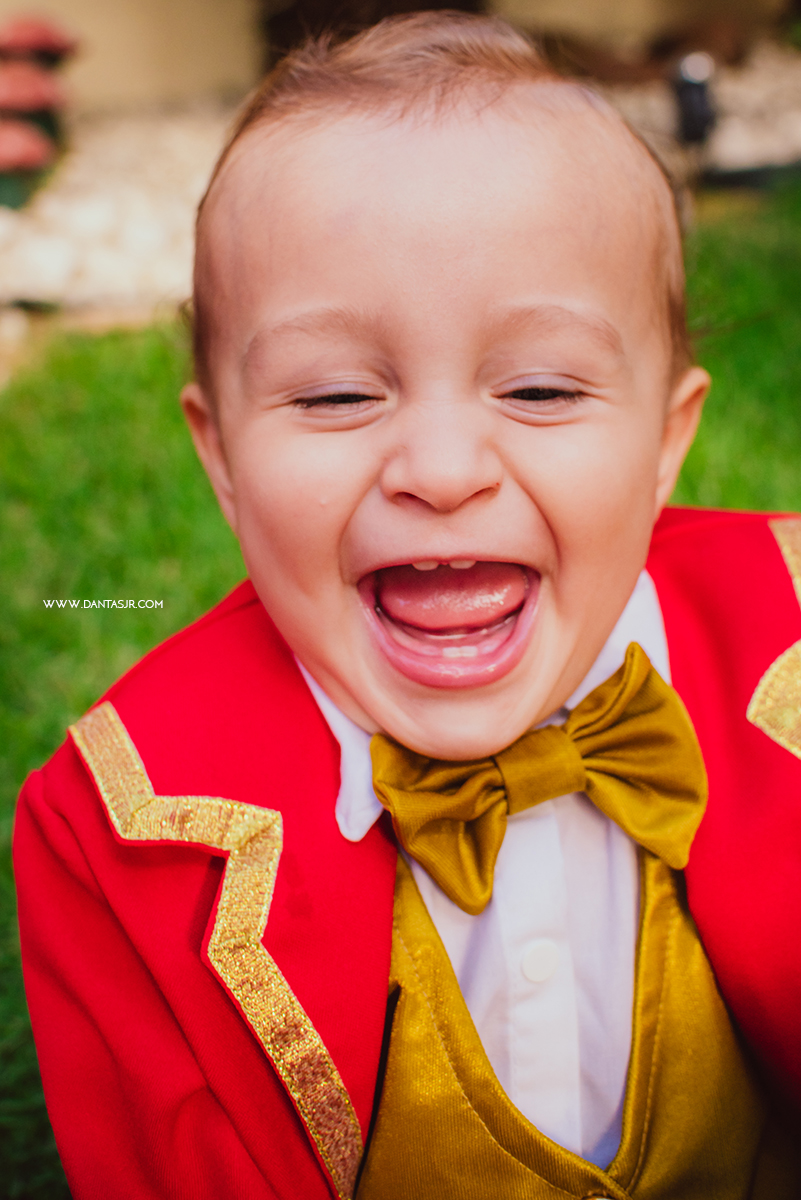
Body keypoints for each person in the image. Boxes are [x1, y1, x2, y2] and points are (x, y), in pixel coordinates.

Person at [13, 12, 801, 1199]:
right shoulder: (120, 828)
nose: (440, 468)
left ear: (666, 440)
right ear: (219, 454)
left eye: (539, 386)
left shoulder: (786, 646)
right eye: (334, 396)